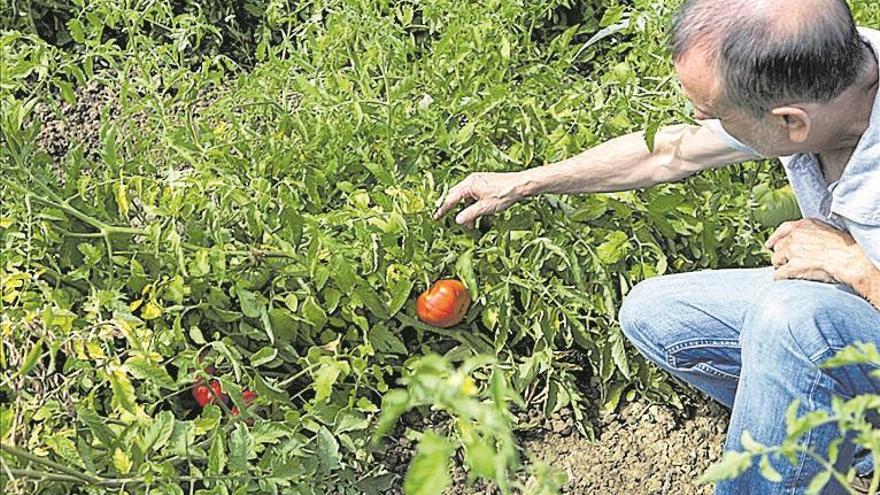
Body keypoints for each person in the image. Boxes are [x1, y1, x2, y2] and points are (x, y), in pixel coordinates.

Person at [432, 0, 880, 493]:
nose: (697, 117)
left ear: (792, 124)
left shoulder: (809, 103)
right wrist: (524, 183)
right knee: (659, 313)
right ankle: (852, 441)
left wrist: (856, 265)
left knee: (793, 320)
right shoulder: (821, 78)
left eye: (714, 114)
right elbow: (672, 150)